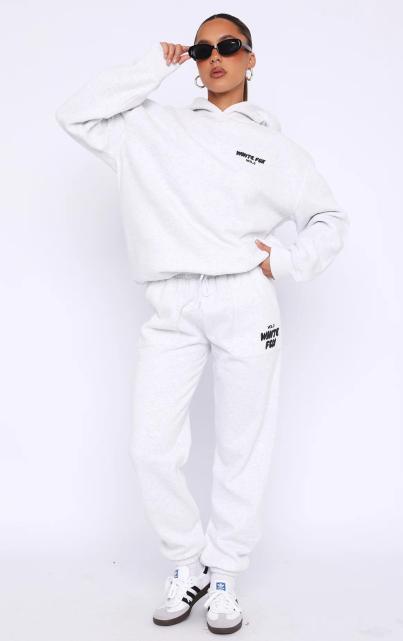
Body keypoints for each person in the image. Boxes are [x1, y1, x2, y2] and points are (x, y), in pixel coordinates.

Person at [55, 12, 349, 636]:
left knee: (243, 447)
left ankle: (225, 575)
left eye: (229, 46)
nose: (215, 57)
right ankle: (186, 562)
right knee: (151, 445)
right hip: (171, 304)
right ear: (191, 60)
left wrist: (287, 261)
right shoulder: (151, 127)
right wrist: (150, 67)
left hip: (245, 300)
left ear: (250, 57)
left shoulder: (276, 148)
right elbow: (75, 115)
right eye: (201, 49)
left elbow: (329, 218)